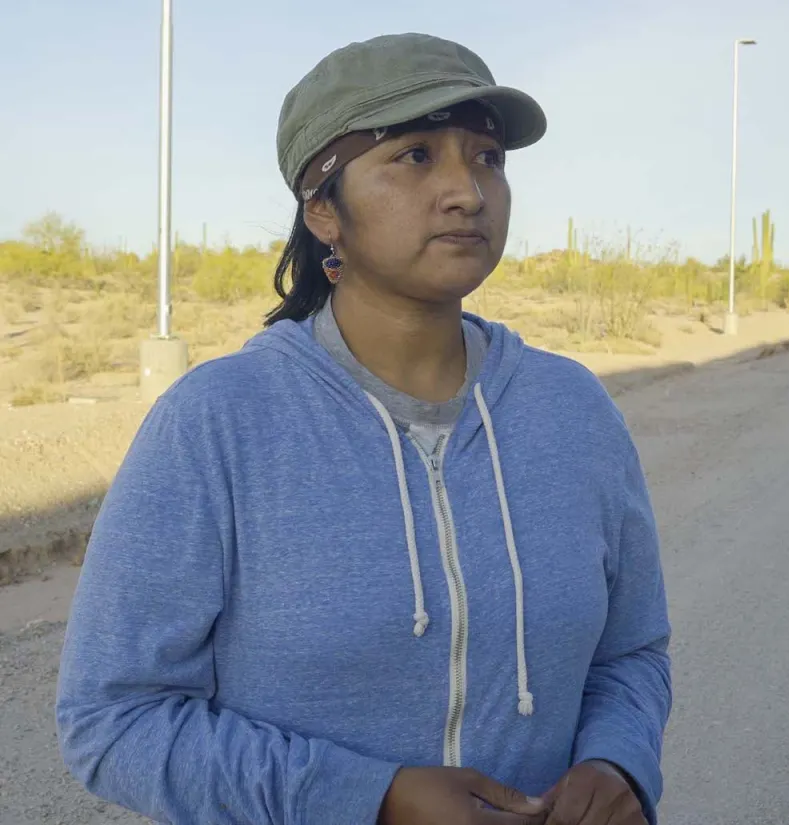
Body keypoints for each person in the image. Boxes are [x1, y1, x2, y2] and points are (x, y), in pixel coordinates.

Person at [55, 32, 672, 825]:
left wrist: (618, 759)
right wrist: (371, 799)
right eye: (415, 156)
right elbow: (113, 718)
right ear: (323, 208)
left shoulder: (573, 410)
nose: (467, 193)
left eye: (487, 158)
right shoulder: (217, 424)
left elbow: (631, 652)